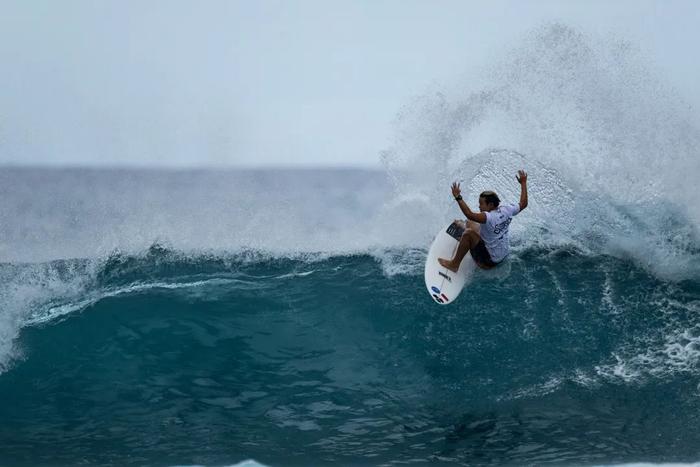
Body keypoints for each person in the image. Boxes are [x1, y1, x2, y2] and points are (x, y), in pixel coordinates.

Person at [438, 170, 528, 271]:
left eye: (481, 204)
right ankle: (464, 240)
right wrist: (523, 183)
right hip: (503, 256)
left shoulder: (489, 217)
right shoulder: (507, 209)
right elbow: (523, 203)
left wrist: (458, 197)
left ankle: (454, 264)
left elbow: (469, 214)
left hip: (489, 262)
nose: (479, 206)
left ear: (490, 205)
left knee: (468, 233)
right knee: (469, 222)